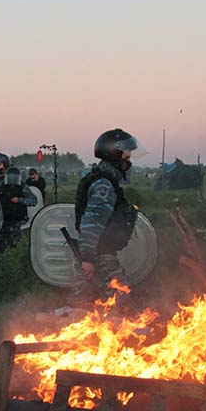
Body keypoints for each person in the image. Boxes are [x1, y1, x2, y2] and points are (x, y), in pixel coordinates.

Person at [75, 128, 141, 299]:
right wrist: (88, 259)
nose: (129, 160)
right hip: (99, 257)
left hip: (101, 254)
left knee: (93, 302)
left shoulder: (106, 181)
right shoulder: (103, 185)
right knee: (119, 301)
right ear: (113, 154)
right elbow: (91, 223)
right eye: (126, 156)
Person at [0, 166, 37, 251]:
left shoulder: (23, 187)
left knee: (14, 240)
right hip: (4, 218)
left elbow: (34, 201)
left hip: (18, 218)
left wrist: (20, 200)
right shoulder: (1, 186)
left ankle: (14, 254)